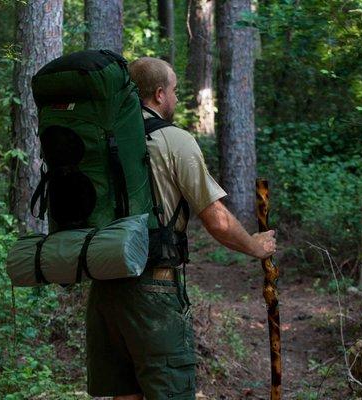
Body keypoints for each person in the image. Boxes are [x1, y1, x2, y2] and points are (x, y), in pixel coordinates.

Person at [85, 57, 277, 400]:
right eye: (174, 91)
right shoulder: (175, 141)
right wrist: (255, 246)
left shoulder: (100, 137)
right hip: (153, 291)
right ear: (159, 94)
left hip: (104, 289)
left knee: (124, 393)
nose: (175, 98)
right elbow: (216, 219)